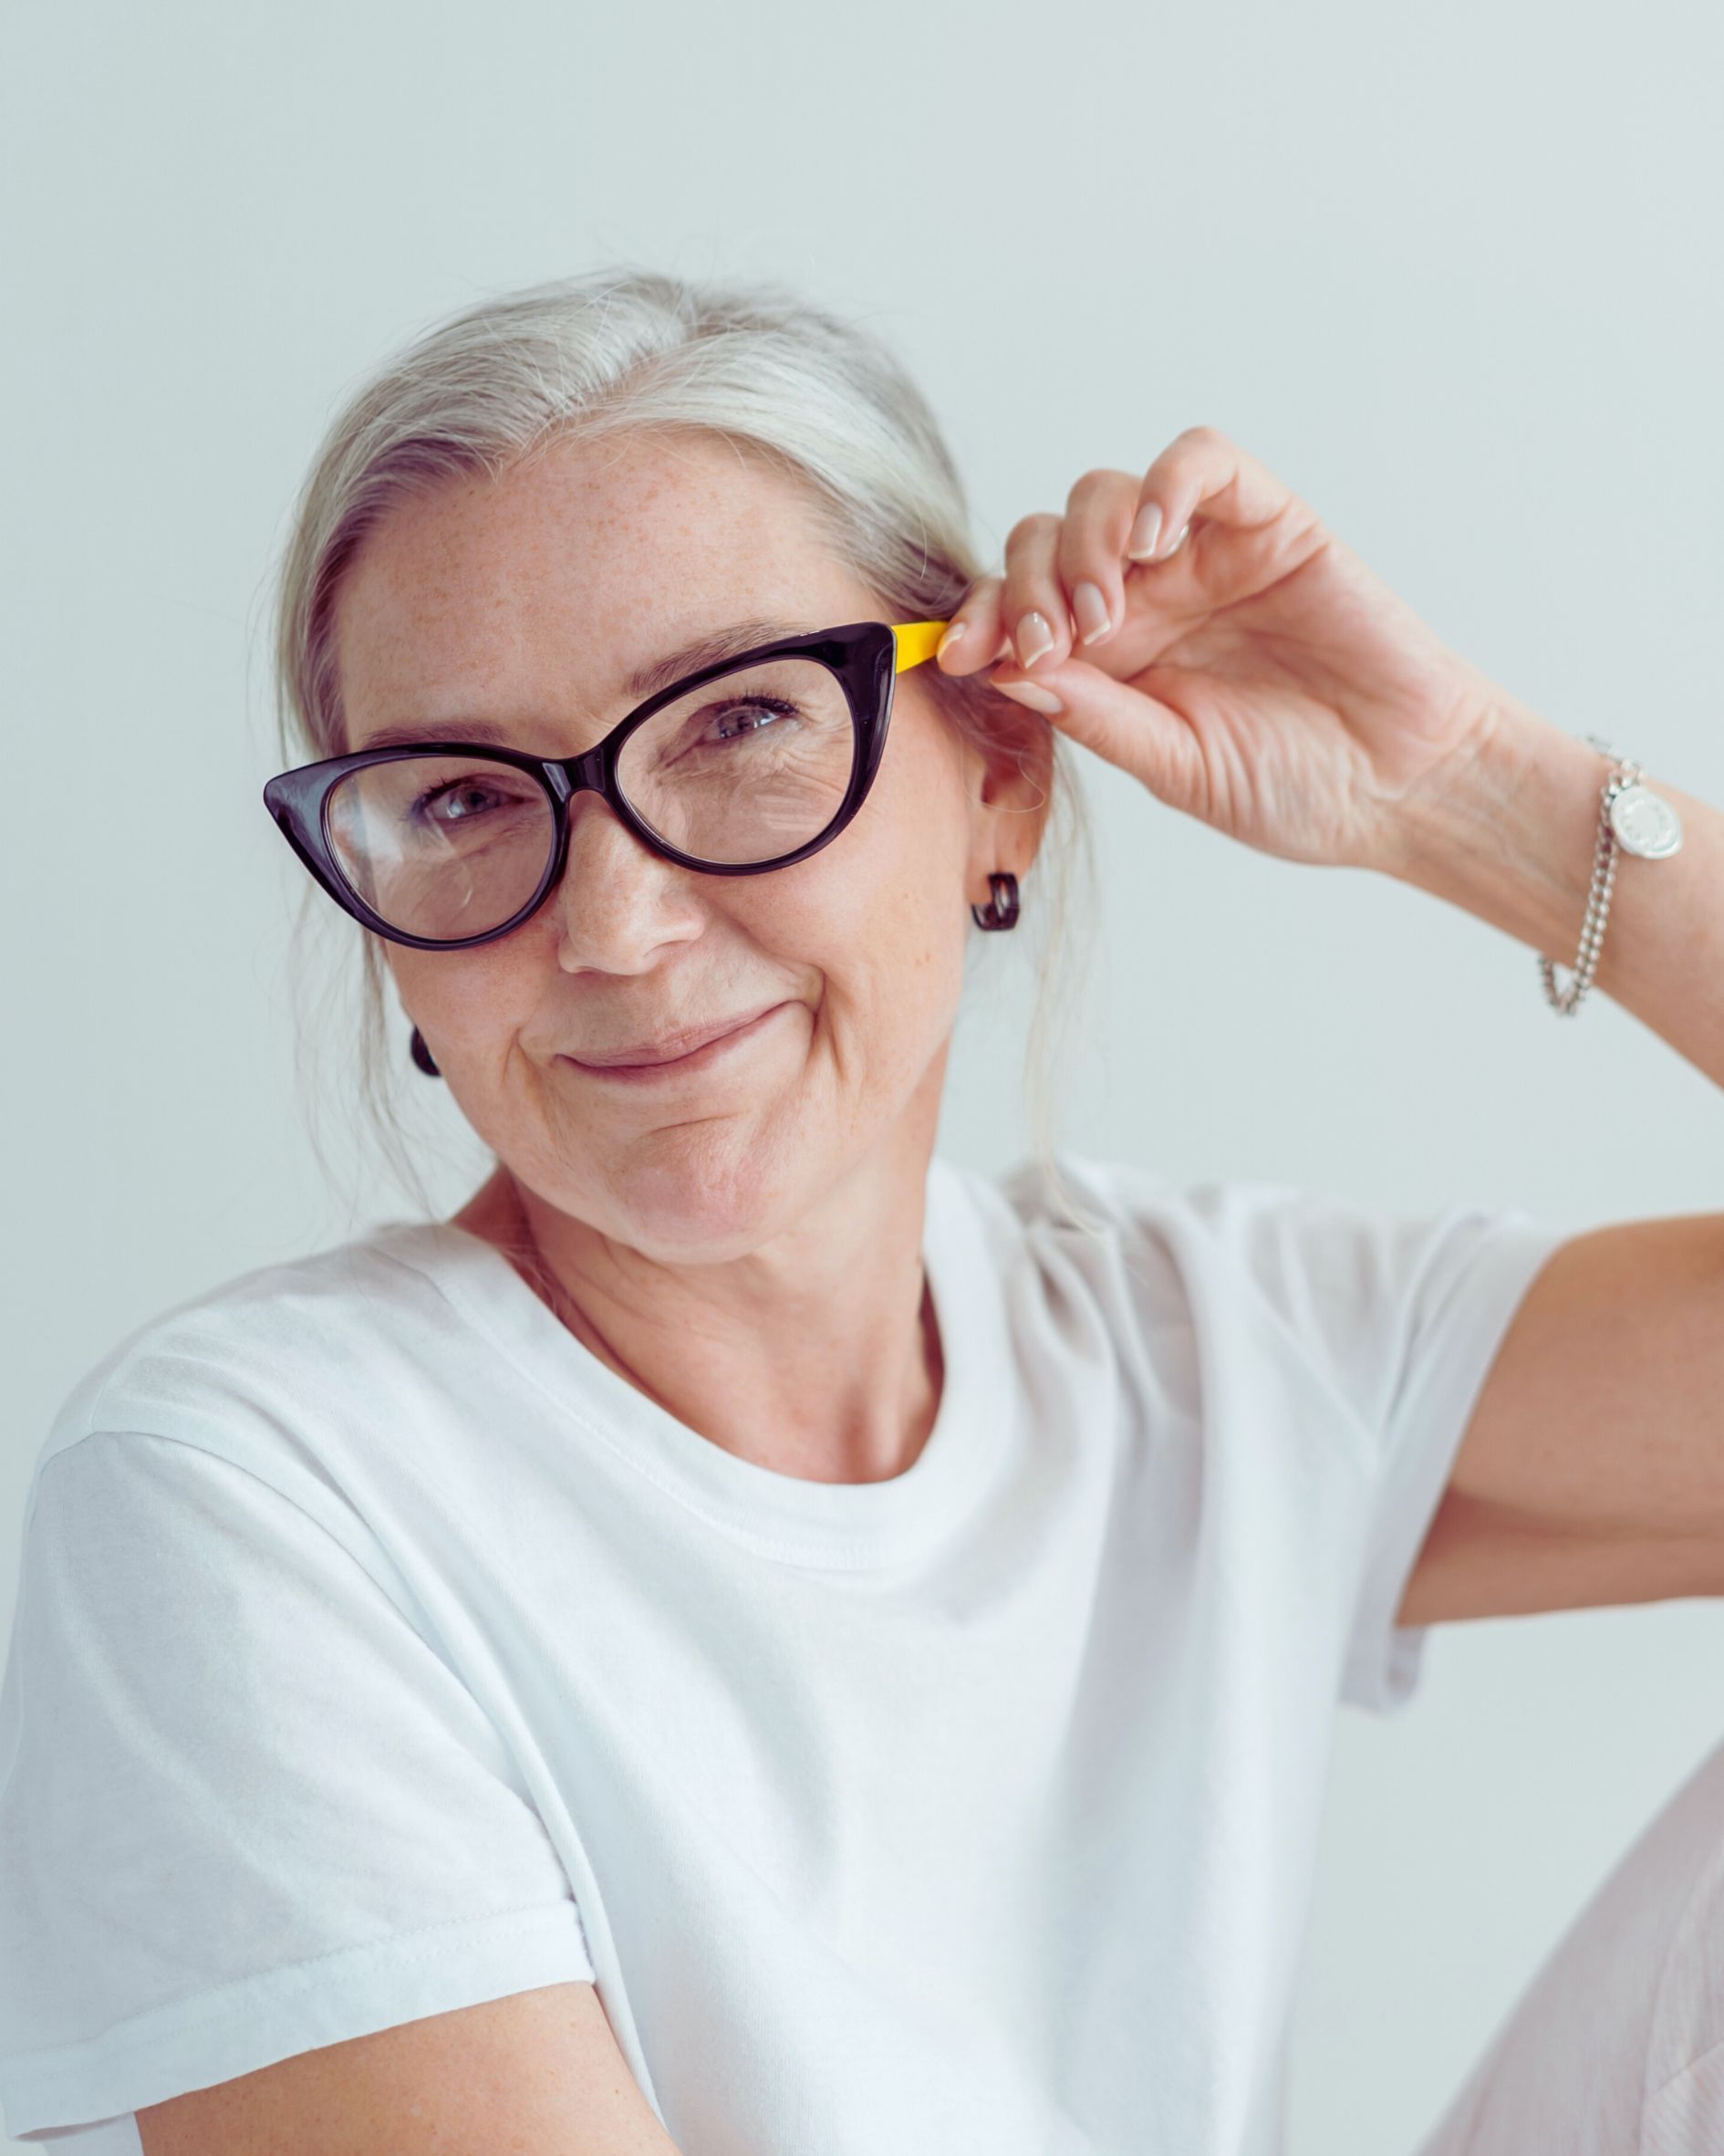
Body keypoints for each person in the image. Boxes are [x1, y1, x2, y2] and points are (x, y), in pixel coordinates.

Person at [0, 267, 1719, 2156]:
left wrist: (1474, 794)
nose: (615, 929)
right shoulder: (254, 1494)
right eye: (467, 799)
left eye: (738, 726)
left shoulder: (1204, 1356)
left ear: (1003, 778)